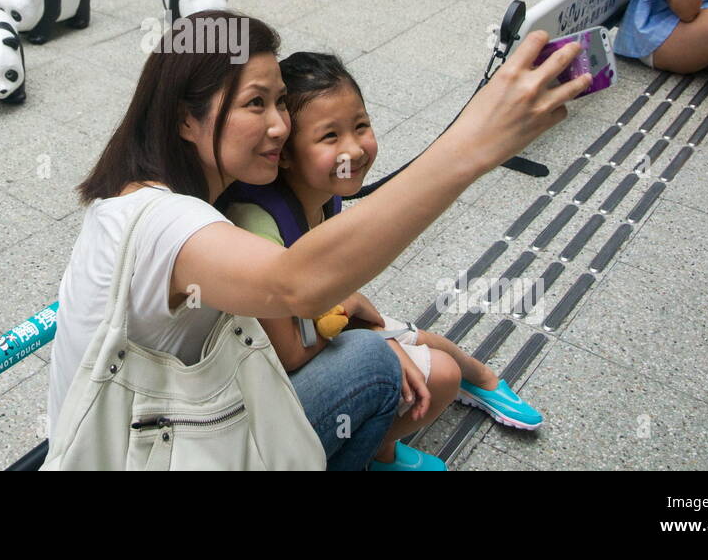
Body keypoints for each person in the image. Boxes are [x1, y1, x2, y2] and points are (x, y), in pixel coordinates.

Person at [46, 10, 588, 470]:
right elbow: (294, 284)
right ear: (187, 120)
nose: (280, 126)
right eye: (255, 104)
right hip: (144, 452)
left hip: (172, 427)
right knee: (372, 362)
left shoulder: (163, 195)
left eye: (281, 102)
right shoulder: (163, 221)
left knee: (376, 350)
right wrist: (473, 144)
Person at [219, 51, 545, 470]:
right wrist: (373, 336)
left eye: (360, 126)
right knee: (436, 374)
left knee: (428, 347)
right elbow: (288, 353)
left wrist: (357, 312)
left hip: (315, 322)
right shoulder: (258, 223)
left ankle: (482, 380)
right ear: (284, 151)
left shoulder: (324, 194)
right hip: (273, 373)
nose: (353, 149)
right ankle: (379, 451)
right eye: (329, 137)